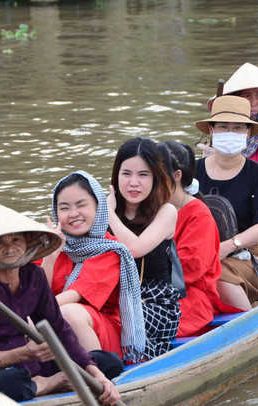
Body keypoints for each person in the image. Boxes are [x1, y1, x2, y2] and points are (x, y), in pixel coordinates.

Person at [0, 203, 120, 405]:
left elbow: (59, 330)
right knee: (11, 383)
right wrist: (26, 354)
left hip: (28, 366)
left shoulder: (34, 277)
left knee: (109, 362)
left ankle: (43, 382)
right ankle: (47, 384)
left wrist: (95, 374)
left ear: (27, 242)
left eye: (16, 239)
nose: (10, 248)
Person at [38, 170, 146, 368]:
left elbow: (74, 295)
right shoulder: (50, 246)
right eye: (64, 208)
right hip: (55, 327)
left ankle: (97, 374)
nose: (73, 214)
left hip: (101, 332)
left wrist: (33, 312)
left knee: (69, 313)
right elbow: (35, 293)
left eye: (81, 205)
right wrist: (50, 258)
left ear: (98, 206)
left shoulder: (111, 249)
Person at [198, 62, 258, 254]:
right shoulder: (210, 150)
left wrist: (223, 159)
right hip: (224, 216)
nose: (254, 101)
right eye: (247, 95)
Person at [194, 95, 258, 310]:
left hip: (247, 256)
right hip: (198, 253)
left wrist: (229, 246)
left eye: (238, 128)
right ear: (212, 131)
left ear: (248, 133)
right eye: (223, 126)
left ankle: (250, 331)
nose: (230, 133)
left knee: (219, 275)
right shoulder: (193, 171)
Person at [107, 137, 181, 359]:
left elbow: (136, 248)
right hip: (114, 298)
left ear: (156, 178)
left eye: (143, 175)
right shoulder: (108, 210)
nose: (133, 183)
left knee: (112, 323)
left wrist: (107, 213)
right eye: (126, 174)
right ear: (116, 176)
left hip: (155, 302)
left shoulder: (167, 212)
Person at [157, 141, 231, 337]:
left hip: (190, 298)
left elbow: (187, 270)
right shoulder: (151, 208)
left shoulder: (199, 215)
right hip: (154, 291)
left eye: (153, 174)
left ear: (177, 176)